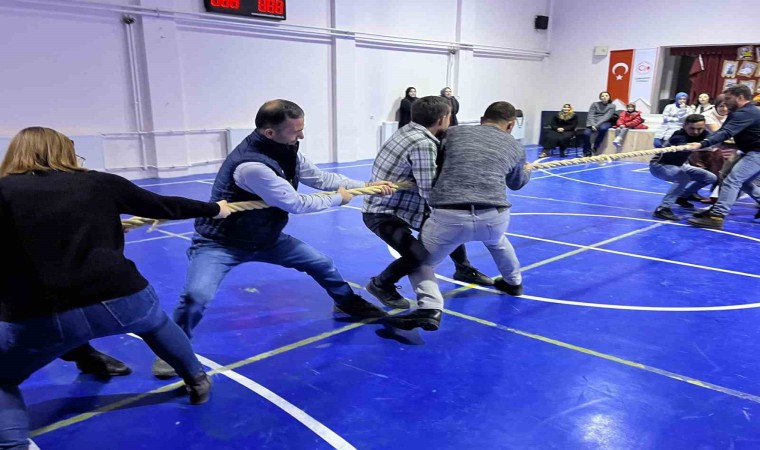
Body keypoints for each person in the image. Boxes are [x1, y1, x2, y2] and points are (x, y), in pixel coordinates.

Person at [0, 127, 231, 448]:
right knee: (156, 324)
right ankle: (196, 378)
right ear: (64, 152)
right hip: (120, 298)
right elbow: (163, 205)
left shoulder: (3, 191)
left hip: (42, 313)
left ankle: (13, 445)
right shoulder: (98, 182)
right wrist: (216, 209)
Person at [153, 100, 392, 378]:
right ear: (269, 132)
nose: (301, 136)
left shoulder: (286, 149)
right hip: (221, 243)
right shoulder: (252, 166)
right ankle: (172, 350)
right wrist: (339, 199)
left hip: (265, 237)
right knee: (196, 296)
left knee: (322, 263)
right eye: (295, 131)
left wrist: (367, 186)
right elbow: (296, 203)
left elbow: (319, 178)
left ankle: (347, 302)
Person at [386, 101, 531, 331]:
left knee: (420, 261)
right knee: (497, 241)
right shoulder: (515, 145)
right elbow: (516, 183)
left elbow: (436, 160)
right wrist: (526, 171)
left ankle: (430, 308)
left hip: (450, 215)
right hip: (494, 216)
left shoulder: (453, 133)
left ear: (482, 120)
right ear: (511, 125)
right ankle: (513, 283)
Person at [362, 96, 492, 311]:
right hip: (384, 212)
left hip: (405, 206)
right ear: (442, 119)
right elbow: (429, 191)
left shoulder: (408, 130)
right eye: (449, 116)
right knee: (419, 255)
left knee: (450, 228)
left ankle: (463, 269)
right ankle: (380, 284)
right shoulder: (423, 144)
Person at [687, 84, 760, 229]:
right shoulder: (735, 113)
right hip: (749, 150)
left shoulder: (747, 113)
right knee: (738, 180)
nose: (724, 102)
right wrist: (707, 144)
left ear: (740, 97)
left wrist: (702, 144)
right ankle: (716, 210)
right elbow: (723, 132)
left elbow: (726, 133)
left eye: (728, 98)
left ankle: (717, 217)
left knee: (733, 180)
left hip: (757, 152)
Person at [649, 114, 716, 221]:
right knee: (683, 178)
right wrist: (703, 146)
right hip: (659, 165)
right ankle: (663, 208)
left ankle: (683, 196)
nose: (696, 132)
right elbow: (685, 146)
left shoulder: (704, 134)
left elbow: (714, 139)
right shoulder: (678, 135)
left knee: (710, 177)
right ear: (684, 126)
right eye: (692, 128)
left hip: (681, 166)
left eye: (699, 129)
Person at [582, 91, 616, 157]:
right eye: (602, 96)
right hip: (592, 122)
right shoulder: (594, 104)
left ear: (609, 97)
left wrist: (596, 125)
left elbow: (606, 117)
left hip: (605, 122)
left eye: (606, 96)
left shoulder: (612, 106)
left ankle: (596, 146)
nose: (604, 97)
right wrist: (592, 124)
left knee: (603, 128)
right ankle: (586, 151)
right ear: (600, 97)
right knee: (586, 133)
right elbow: (590, 115)